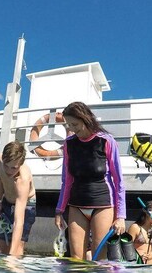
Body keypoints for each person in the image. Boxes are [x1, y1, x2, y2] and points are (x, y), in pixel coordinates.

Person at [54, 101, 126, 261]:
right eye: (68, 125)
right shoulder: (69, 144)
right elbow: (66, 180)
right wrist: (59, 210)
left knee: (99, 258)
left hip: (103, 206)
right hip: (76, 206)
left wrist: (120, 216)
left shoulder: (106, 141)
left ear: (85, 119)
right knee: (76, 259)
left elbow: (119, 182)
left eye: (75, 124)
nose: (72, 128)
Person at [0, 141, 36, 257]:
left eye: (13, 168)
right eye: (6, 165)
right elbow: (1, 178)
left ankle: (15, 269)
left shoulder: (23, 180)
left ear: (20, 164)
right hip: (6, 201)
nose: (9, 171)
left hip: (26, 205)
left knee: (17, 248)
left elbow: (18, 222)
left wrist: (11, 257)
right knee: (1, 247)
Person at [127, 200, 152, 264]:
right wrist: (137, 256)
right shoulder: (135, 227)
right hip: (139, 262)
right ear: (147, 213)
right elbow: (126, 248)